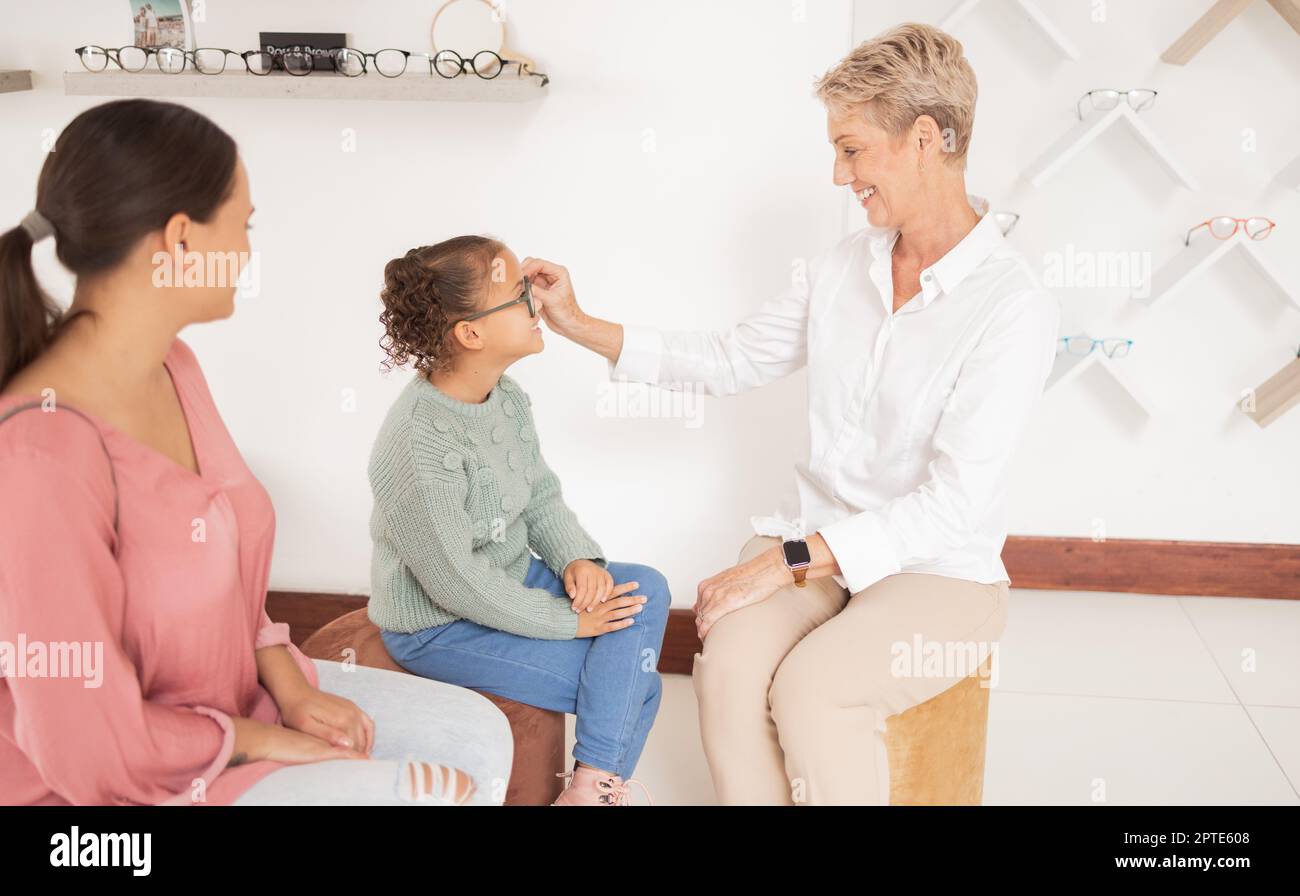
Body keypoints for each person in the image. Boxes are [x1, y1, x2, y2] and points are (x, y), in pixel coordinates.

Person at [522, 22, 1061, 804]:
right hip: (816, 544)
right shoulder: (845, 268)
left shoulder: (1012, 305)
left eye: (852, 148)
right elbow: (730, 357)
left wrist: (787, 559)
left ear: (922, 139)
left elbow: (954, 506)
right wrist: (578, 323)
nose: (840, 175)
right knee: (729, 669)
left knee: (814, 692)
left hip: (936, 570)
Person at [0, 98, 511, 806]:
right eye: (242, 227)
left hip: (236, 702)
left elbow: (232, 581)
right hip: (119, 794)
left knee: (477, 738)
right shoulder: (39, 453)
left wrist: (292, 688)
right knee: (434, 792)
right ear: (180, 240)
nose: (246, 252)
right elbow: (89, 750)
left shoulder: (173, 364)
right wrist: (256, 739)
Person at [367, 235, 671, 806]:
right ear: (472, 332)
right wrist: (568, 623)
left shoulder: (506, 398)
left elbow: (539, 499)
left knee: (647, 588)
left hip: (511, 581)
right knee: (637, 684)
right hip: (439, 625)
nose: (536, 300)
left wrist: (578, 559)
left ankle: (590, 784)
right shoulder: (416, 443)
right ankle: (594, 789)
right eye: (517, 292)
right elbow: (455, 580)